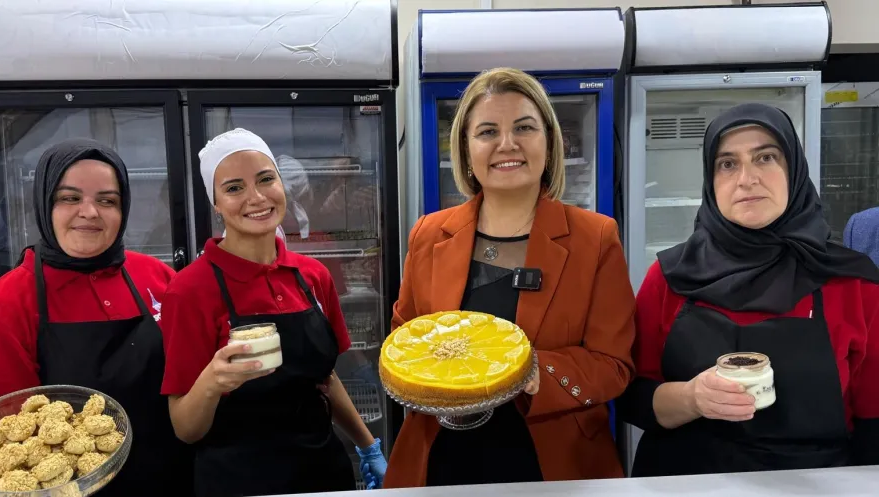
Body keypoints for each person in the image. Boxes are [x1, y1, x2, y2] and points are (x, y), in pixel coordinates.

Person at [384, 67, 636, 488]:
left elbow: (614, 366)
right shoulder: (428, 234)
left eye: (524, 127)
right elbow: (405, 340)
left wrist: (531, 369)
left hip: (554, 466)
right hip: (440, 461)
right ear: (465, 151)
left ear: (549, 142)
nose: (507, 144)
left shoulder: (596, 238)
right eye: (487, 132)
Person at [618, 103, 879, 477]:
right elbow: (632, 398)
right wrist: (692, 399)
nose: (747, 179)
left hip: (814, 484)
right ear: (711, 181)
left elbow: (874, 423)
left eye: (766, 157)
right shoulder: (670, 276)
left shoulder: (854, 284)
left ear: (794, 169)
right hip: (686, 482)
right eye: (727, 163)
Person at [159, 128, 386, 496]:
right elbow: (186, 428)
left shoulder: (312, 276)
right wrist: (213, 382)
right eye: (234, 188)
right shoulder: (189, 291)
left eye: (266, 179)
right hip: (237, 480)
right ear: (215, 203)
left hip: (322, 473)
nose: (256, 197)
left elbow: (325, 378)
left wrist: (367, 445)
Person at [0, 138, 193, 496]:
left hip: (173, 478)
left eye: (107, 200)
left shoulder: (159, 279)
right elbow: (14, 444)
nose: (90, 212)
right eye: (69, 198)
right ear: (45, 205)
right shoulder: (4, 307)